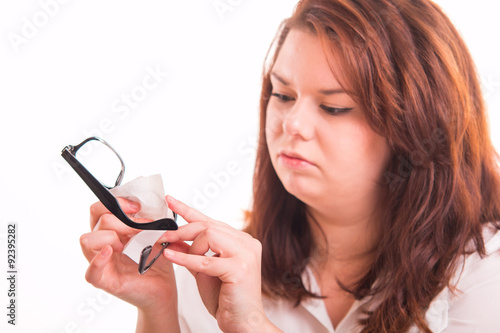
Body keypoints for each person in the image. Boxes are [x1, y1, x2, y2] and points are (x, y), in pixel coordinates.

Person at [79, 0, 500, 332]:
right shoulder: (218, 272)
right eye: (282, 95)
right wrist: (158, 309)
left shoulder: (485, 274)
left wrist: (251, 327)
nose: (291, 124)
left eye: (334, 107)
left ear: (418, 124)